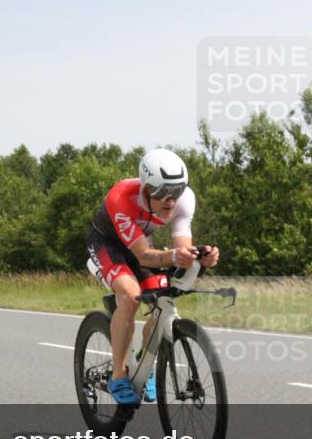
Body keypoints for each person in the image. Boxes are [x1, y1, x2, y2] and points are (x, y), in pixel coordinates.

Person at [87, 148, 219, 406]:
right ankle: (118, 376)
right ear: (146, 189)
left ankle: (143, 364)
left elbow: (181, 249)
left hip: (140, 243)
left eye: (177, 191)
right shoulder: (121, 197)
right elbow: (145, 256)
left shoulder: (184, 200)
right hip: (108, 244)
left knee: (162, 297)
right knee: (130, 296)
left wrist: (200, 257)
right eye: (162, 192)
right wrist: (175, 256)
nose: (171, 200)